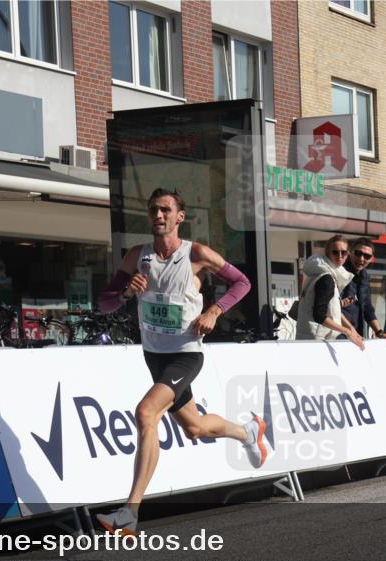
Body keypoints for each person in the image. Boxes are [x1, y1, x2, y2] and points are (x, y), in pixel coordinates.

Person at [94, 188, 268, 536]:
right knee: (195, 427)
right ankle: (248, 431)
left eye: (165, 210)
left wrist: (215, 311)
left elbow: (242, 282)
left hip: (186, 354)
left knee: (146, 413)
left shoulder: (197, 254)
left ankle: (129, 513)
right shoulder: (136, 257)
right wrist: (127, 292)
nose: (158, 216)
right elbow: (105, 304)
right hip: (154, 354)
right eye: (153, 210)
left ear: (179, 217)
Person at [295, 235, 366, 349]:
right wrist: (348, 332)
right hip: (316, 342)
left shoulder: (319, 273)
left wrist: (352, 330)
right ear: (327, 253)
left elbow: (332, 311)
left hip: (311, 339)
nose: (340, 256)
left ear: (348, 254)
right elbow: (319, 315)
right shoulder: (326, 278)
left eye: (344, 252)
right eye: (335, 252)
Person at [340, 237, 386, 345]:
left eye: (367, 256)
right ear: (350, 253)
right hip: (337, 335)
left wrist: (379, 332)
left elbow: (367, 308)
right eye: (358, 253)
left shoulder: (364, 276)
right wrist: (350, 331)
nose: (361, 259)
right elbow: (332, 309)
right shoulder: (339, 272)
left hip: (357, 335)